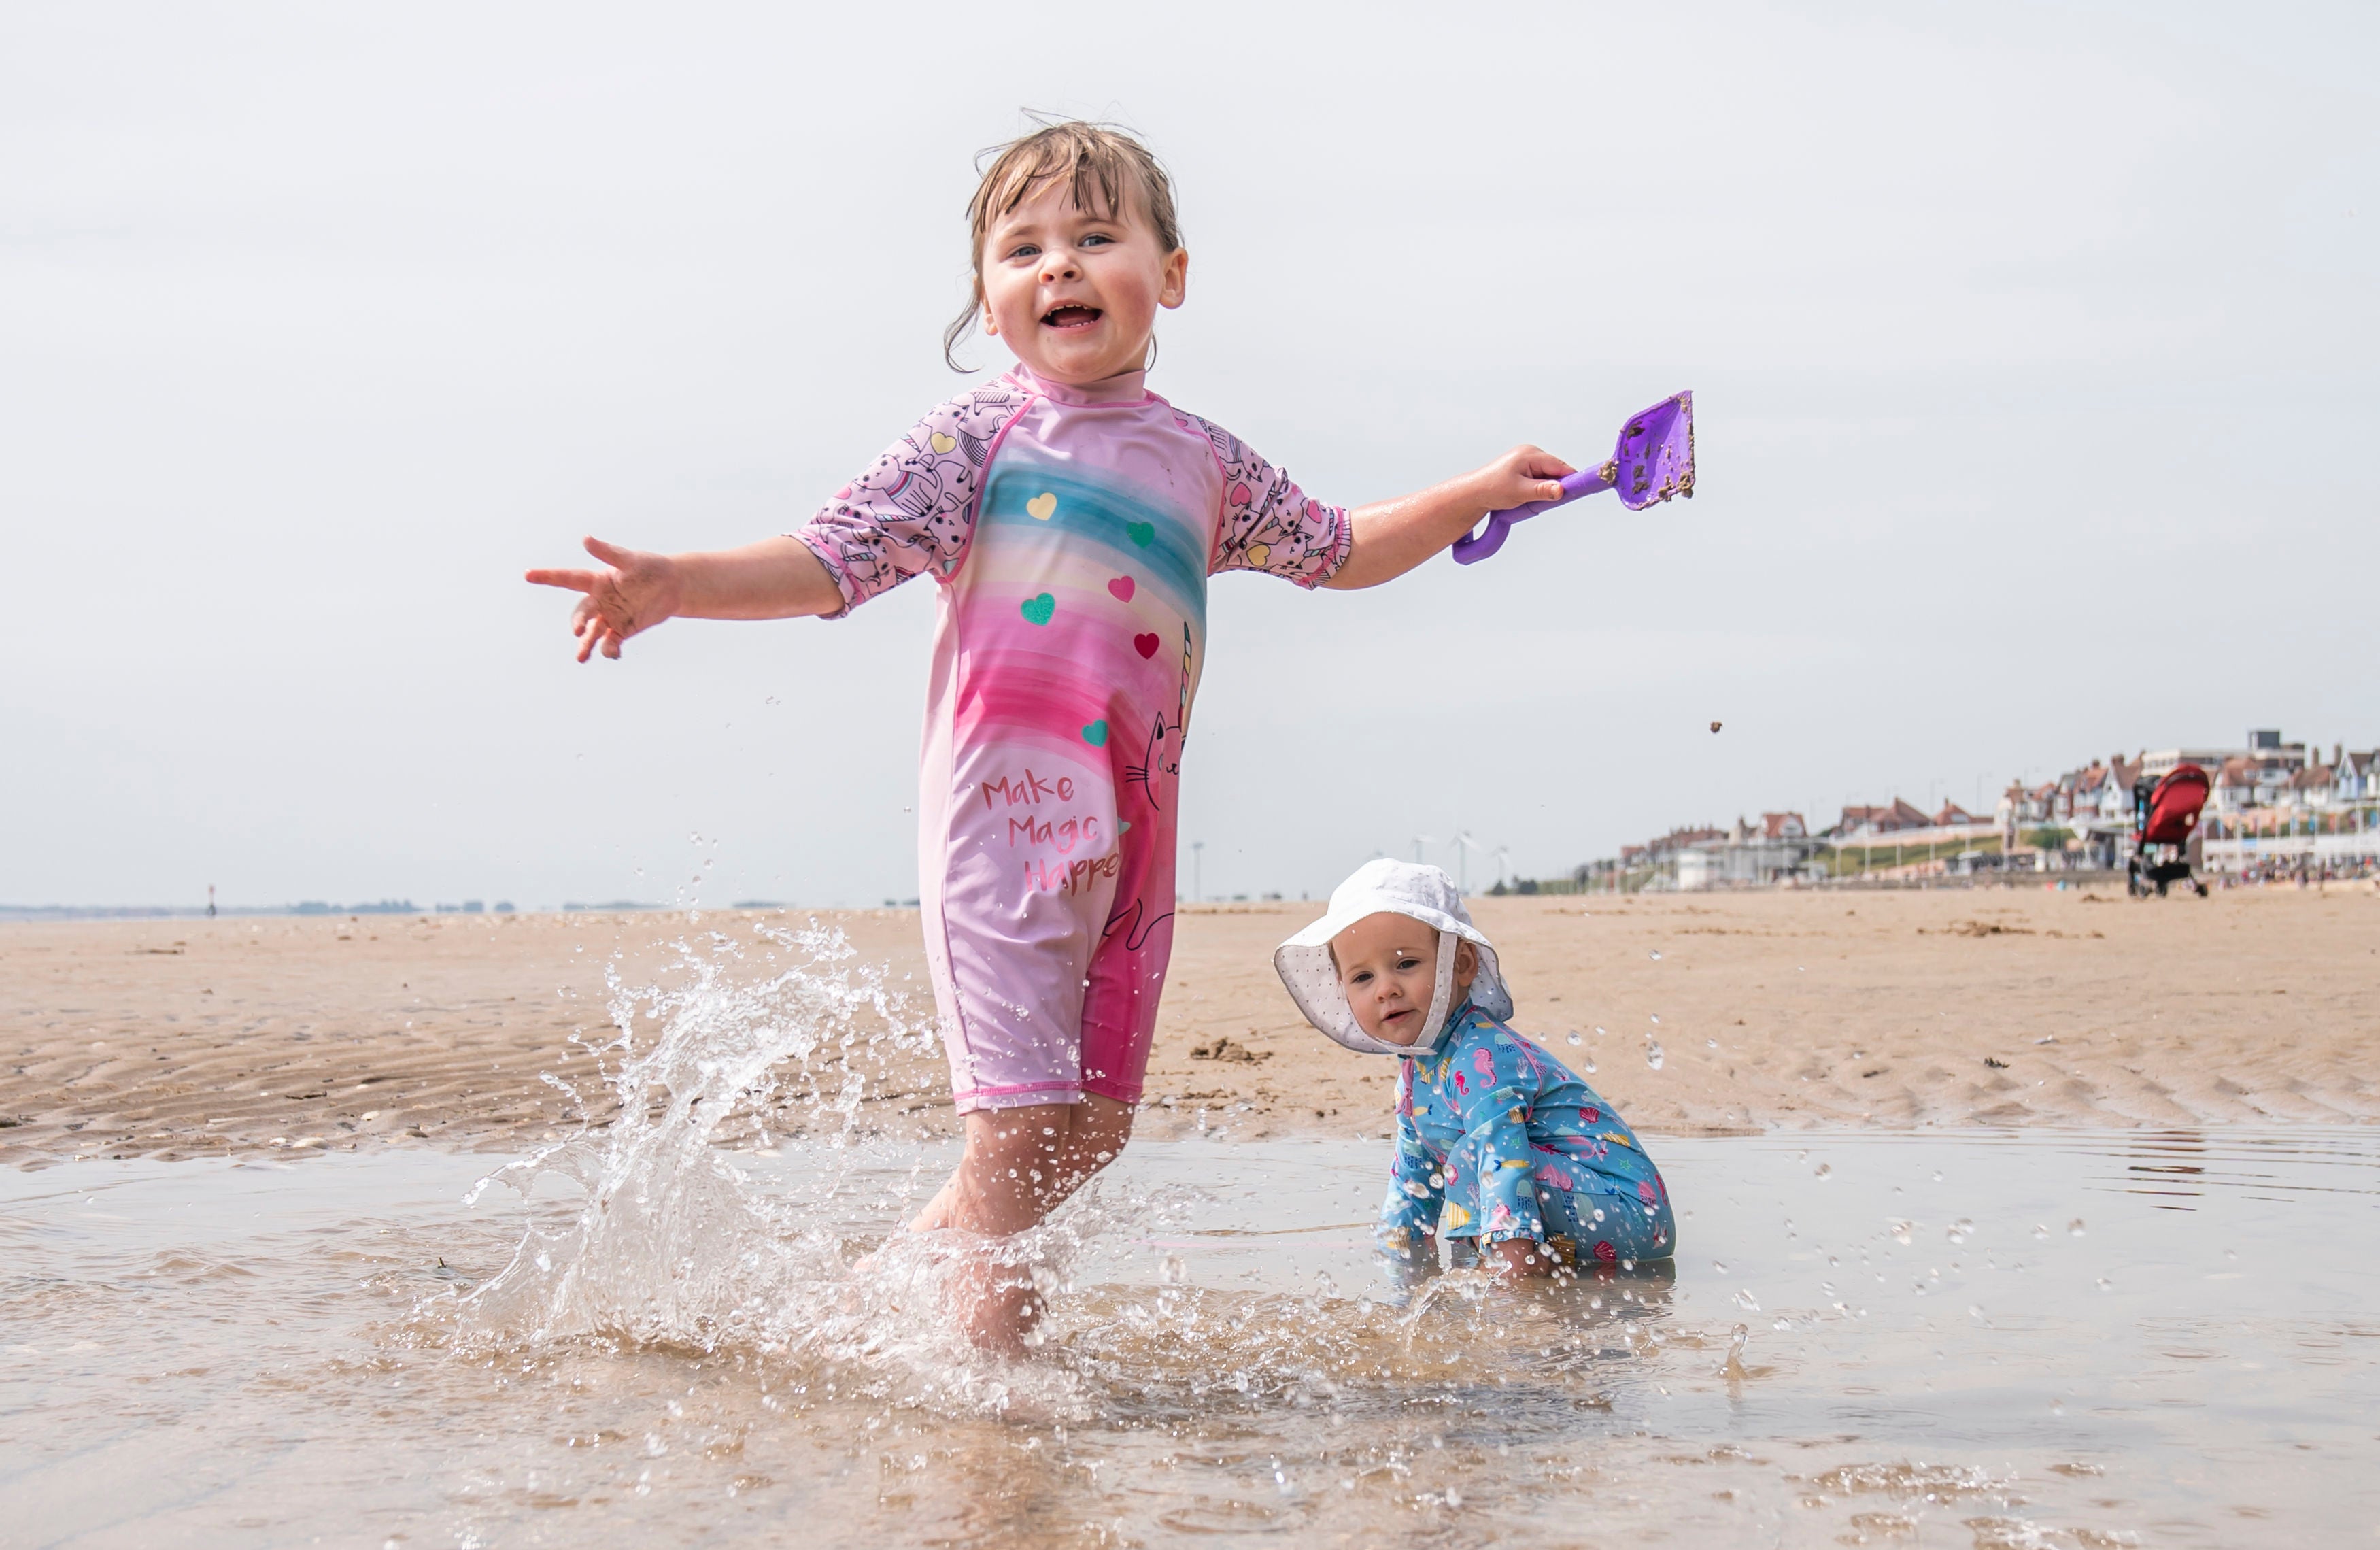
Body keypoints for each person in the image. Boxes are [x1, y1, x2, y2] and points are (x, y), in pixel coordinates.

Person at [527, 122, 1582, 1347]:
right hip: (1001, 832)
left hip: (1133, 838)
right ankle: (1000, 1400)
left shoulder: (1204, 461)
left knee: (1092, 1125)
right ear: (988, 295)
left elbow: (1340, 549)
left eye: (1094, 237)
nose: (1058, 267)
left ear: (1170, 275)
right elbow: (828, 557)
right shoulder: (971, 445)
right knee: (1019, 1129)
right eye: (1022, 248)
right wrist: (679, 580)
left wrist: (1475, 491)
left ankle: (865, 1308)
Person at [1274, 860, 1674, 1276]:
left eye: (1406, 964)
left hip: (1633, 1213)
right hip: (1578, 1206)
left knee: (1474, 1159)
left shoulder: (1482, 1055)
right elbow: (1413, 1187)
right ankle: (1503, 1262)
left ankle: (1513, 1267)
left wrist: (1509, 1272)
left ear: (1462, 965)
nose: (1386, 989)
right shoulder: (1416, 1077)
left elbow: (1505, 1161)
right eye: (1362, 977)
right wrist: (1397, 1258)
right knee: (1459, 1186)